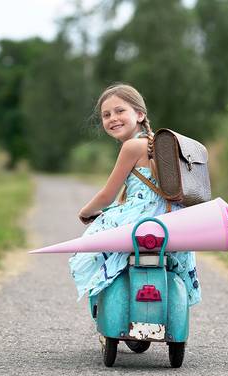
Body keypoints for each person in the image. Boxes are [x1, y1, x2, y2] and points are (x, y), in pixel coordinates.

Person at [68, 83, 201, 307]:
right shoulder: (153, 146)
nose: (113, 118)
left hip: (142, 218)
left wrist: (85, 211)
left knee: (90, 249)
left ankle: (104, 299)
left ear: (139, 114)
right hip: (172, 219)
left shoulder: (131, 147)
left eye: (120, 111)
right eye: (106, 115)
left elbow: (107, 195)